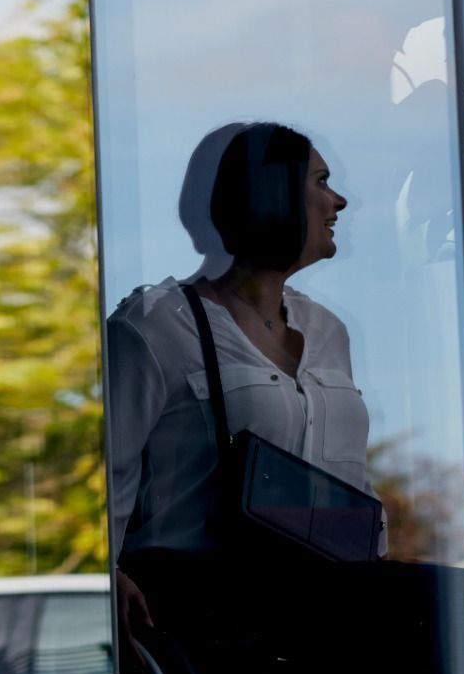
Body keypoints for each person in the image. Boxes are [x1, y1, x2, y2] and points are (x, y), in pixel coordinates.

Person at [107, 121, 376, 621]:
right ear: (271, 194)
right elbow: (103, 486)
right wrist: (106, 580)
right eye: (320, 181)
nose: (338, 202)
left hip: (330, 615)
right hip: (204, 619)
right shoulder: (155, 325)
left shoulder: (329, 331)